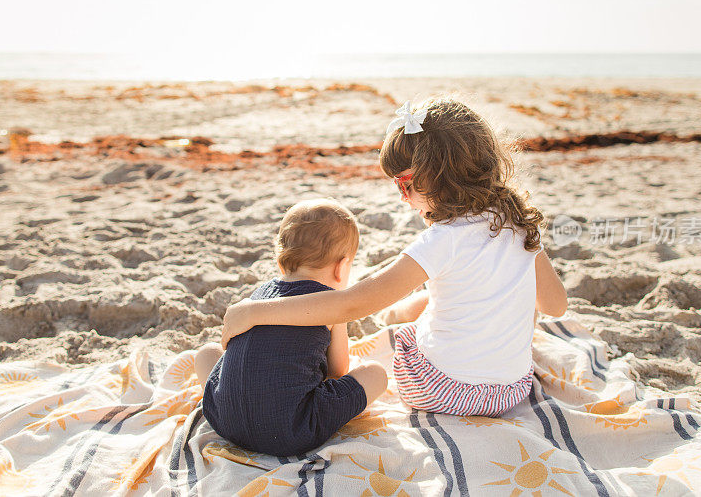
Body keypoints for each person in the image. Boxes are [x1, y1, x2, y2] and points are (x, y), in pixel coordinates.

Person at [221, 98, 567, 417]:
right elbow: (555, 306)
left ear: (438, 178)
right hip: (510, 391)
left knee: (403, 331)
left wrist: (253, 312)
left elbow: (350, 304)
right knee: (437, 300)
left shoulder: (441, 241)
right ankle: (418, 306)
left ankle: (407, 313)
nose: (403, 198)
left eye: (405, 185)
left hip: (444, 392)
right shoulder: (517, 223)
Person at [196, 199, 387, 456]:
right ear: (342, 268)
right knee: (376, 373)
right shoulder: (331, 305)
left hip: (226, 421)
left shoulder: (259, 295)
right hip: (290, 431)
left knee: (206, 352)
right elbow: (338, 370)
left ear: (281, 261)